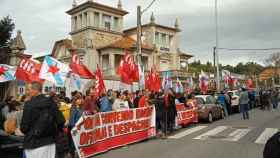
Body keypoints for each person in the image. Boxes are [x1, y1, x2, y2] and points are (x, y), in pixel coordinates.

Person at [20, 82, 65, 158]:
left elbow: (24, 127)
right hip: (50, 143)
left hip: (32, 143)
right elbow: (61, 121)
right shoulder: (52, 103)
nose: (28, 92)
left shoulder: (29, 104)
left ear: (35, 90)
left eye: (29, 90)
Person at [68, 94, 84, 158]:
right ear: (75, 100)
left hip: (80, 128)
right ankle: (72, 155)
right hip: (75, 128)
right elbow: (72, 120)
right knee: (74, 144)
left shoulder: (80, 108)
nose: (80, 100)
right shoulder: (73, 109)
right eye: (78, 99)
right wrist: (74, 128)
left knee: (78, 142)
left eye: (80, 99)